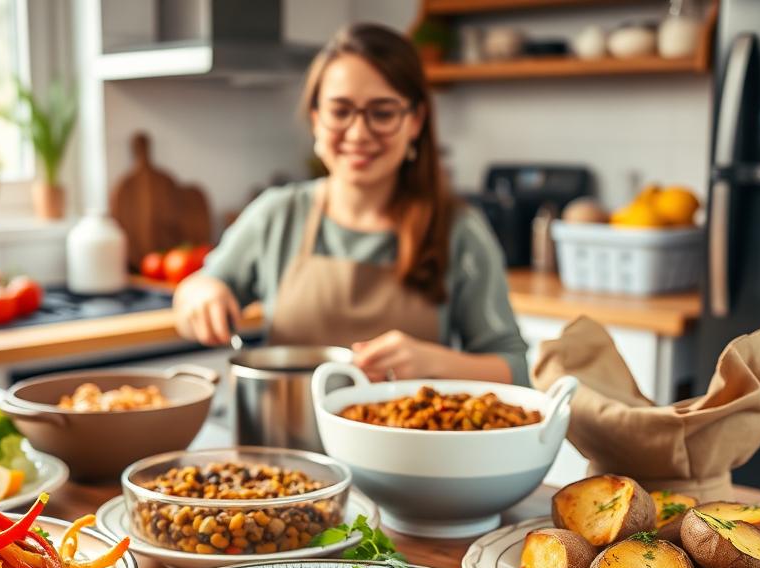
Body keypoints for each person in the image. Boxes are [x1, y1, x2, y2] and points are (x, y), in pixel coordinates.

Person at [173, 23, 529, 385]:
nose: (359, 133)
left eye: (383, 112)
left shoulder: (459, 230)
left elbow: (516, 371)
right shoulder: (277, 215)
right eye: (341, 111)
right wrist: (200, 293)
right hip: (280, 439)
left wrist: (434, 363)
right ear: (316, 118)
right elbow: (200, 289)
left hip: (409, 442)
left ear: (416, 121)